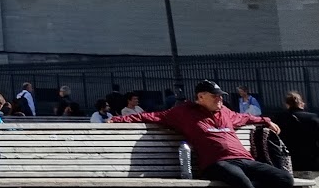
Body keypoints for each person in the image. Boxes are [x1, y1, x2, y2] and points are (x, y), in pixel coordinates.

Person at [111, 80, 290, 188]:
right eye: (215, 96)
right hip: (217, 163)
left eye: (220, 96)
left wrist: (266, 120)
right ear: (201, 97)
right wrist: (116, 120)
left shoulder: (226, 113)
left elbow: (246, 117)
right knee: (242, 183)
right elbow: (151, 116)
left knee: (284, 179)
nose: (220, 99)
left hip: (244, 159)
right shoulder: (184, 113)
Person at [270, 92, 319, 173]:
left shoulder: (278, 118)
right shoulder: (313, 118)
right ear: (301, 104)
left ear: (287, 104)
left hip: (288, 160)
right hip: (311, 158)